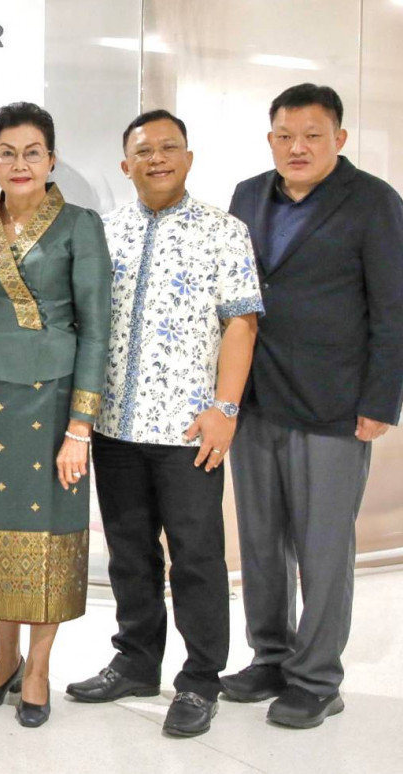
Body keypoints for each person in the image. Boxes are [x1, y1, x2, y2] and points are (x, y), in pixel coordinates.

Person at [222, 84, 403, 729]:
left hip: (334, 403)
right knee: (260, 540)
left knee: (323, 547)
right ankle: (270, 657)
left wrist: (381, 399)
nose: (297, 147)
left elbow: (394, 309)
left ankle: (317, 678)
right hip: (256, 398)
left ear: (340, 138)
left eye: (311, 135)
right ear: (270, 139)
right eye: (285, 135)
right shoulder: (249, 196)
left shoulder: (374, 202)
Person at [65, 110, 263, 738]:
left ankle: (201, 679)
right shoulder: (105, 232)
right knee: (129, 554)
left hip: (188, 430)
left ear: (188, 158)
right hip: (115, 426)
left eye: (169, 148)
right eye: (144, 151)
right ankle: (136, 661)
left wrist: (225, 409)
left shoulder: (224, 231)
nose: (157, 159)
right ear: (125, 165)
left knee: (197, 557)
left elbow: (241, 323)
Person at [0, 102, 111, 728]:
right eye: (7, 153)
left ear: (51, 159)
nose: (19, 164)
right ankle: (4, 659)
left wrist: (81, 427)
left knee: (51, 536)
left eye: (32, 153)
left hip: (53, 405)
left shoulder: (79, 225)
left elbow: (96, 329)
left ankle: (40, 668)